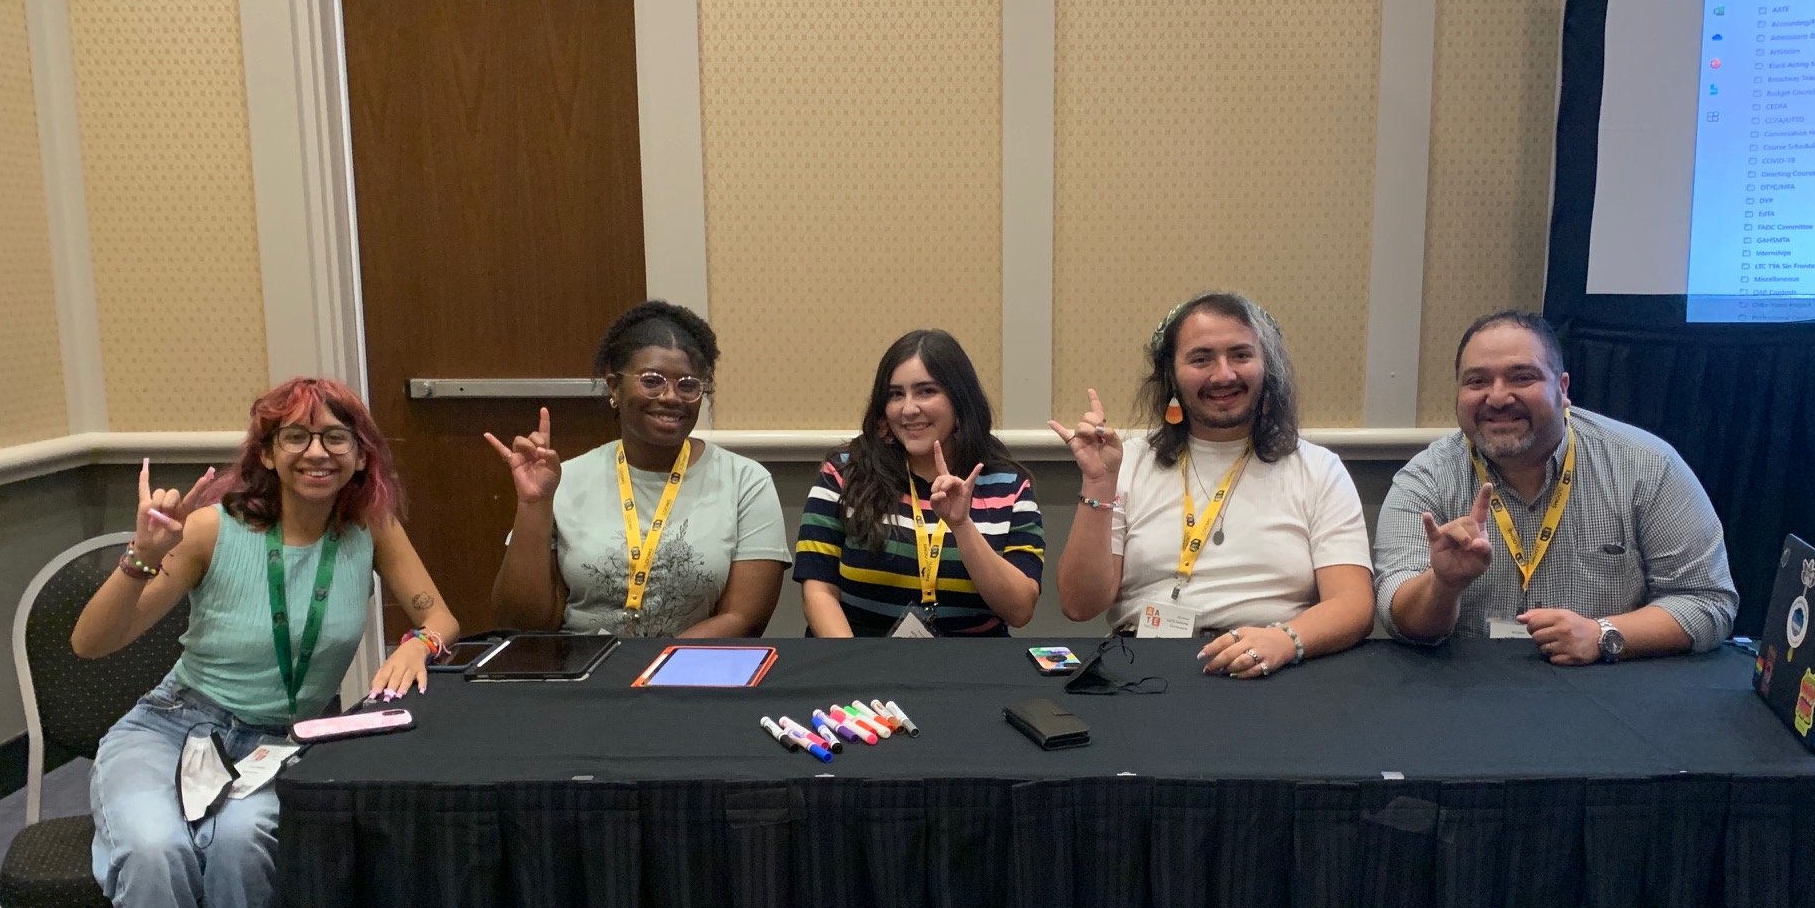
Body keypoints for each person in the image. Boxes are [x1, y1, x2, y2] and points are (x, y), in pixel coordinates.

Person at [70, 378, 457, 908]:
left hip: (279, 744)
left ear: (361, 456)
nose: (317, 452)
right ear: (269, 455)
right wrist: (142, 554)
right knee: (150, 847)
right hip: (172, 727)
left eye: (335, 437)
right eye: (296, 438)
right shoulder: (213, 531)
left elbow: (439, 615)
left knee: (247, 845)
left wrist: (420, 642)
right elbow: (92, 644)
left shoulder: (368, 530)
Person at [1374, 309, 1737, 663]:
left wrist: (1603, 634)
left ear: (1562, 388)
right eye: (1477, 381)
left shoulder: (1647, 465)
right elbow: (1400, 620)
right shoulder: (1425, 478)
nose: (1498, 398)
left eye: (1522, 377)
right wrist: (1443, 585)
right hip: (1467, 691)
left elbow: (1706, 600)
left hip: (1606, 689)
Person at [1049, 291, 1374, 675]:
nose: (1224, 374)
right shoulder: (1129, 463)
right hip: (1145, 668)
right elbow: (1079, 605)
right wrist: (1099, 484)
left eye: (1240, 354)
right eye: (1201, 358)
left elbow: (1353, 604)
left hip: (1273, 666)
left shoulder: (1319, 469)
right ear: (1171, 374)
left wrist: (1286, 640)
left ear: (1266, 366)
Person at [487, 301, 789, 636]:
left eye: (687, 385)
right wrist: (534, 505)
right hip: (582, 674)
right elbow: (518, 623)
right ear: (614, 386)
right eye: (651, 381)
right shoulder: (564, 480)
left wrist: (650, 670)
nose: (671, 397)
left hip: (692, 674)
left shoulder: (745, 482)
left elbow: (744, 619)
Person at [795, 330, 1043, 636]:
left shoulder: (1008, 484)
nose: (909, 409)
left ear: (960, 401)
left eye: (926, 391)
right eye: (896, 394)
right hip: (858, 662)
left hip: (972, 672)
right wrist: (855, 669)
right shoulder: (844, 473)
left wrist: (962, 525)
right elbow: (818, 592)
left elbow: (1019, 610)